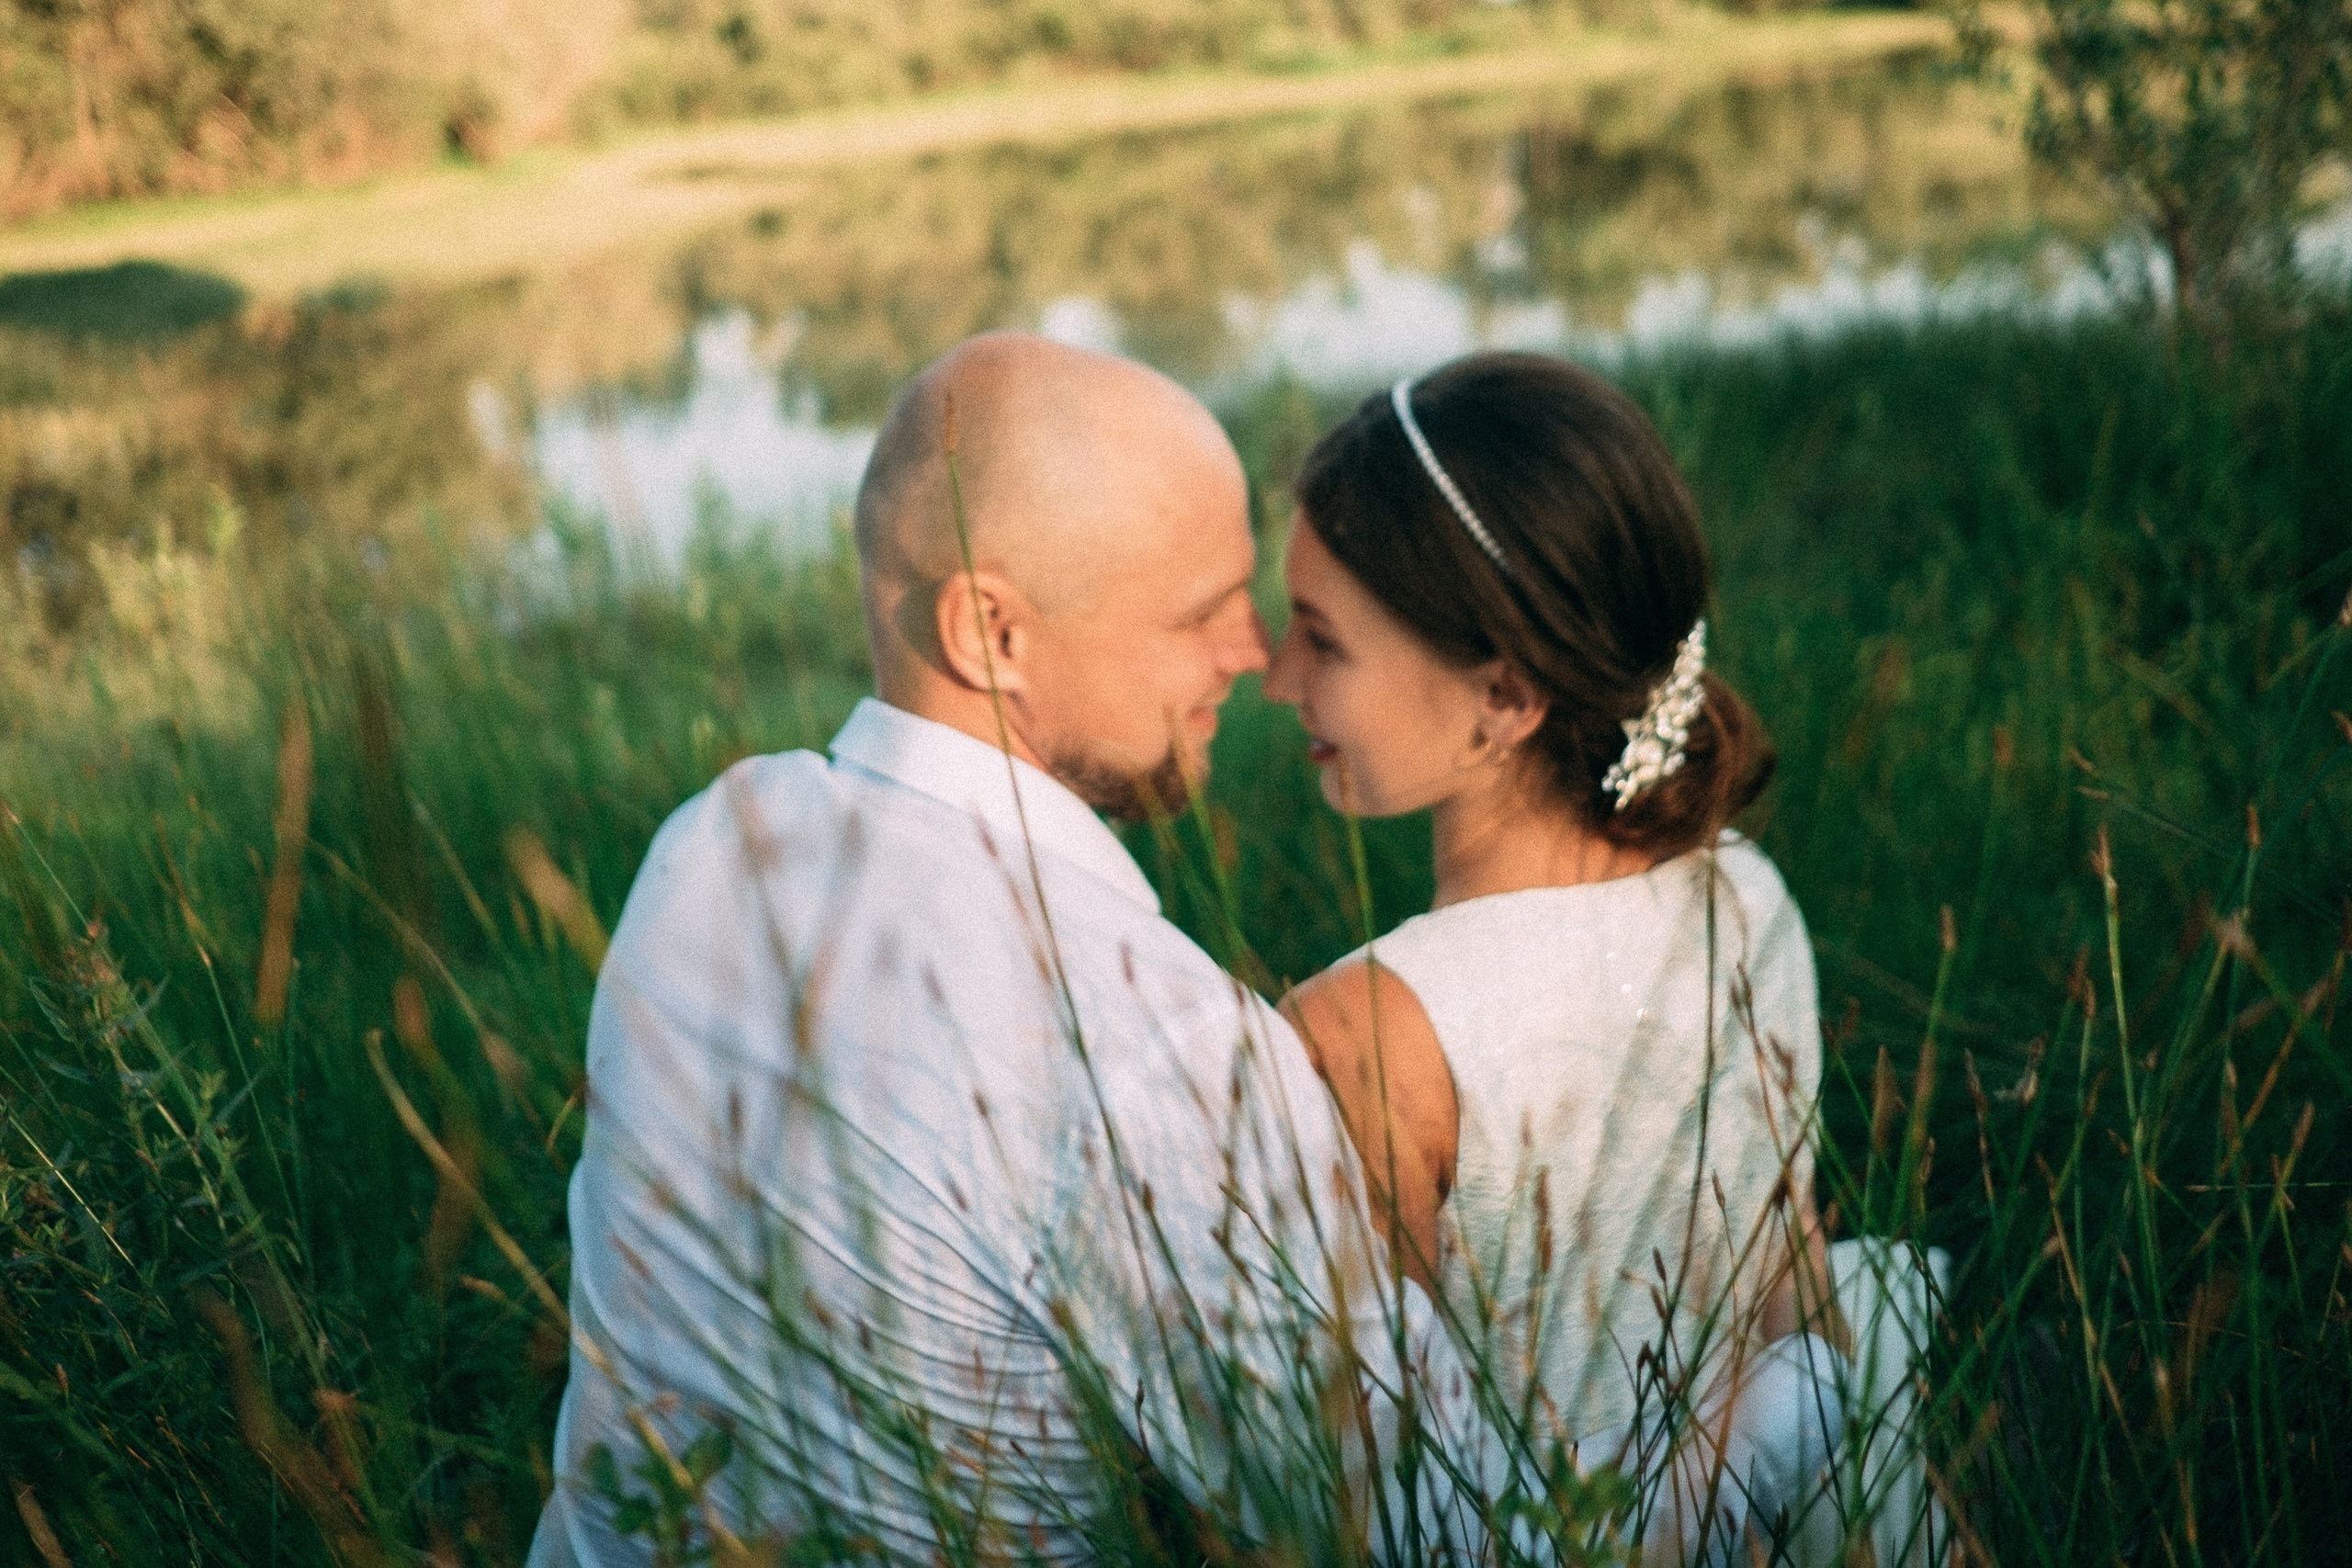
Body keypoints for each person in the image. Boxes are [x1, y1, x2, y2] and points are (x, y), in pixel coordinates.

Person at [526, 333, 1487, 1566]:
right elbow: (1431, 1517)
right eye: (1199, 614)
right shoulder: (1146, 1028)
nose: (1255, 656)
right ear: (993, 633)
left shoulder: (719, 838)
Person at [1268, 352, 1840, 1562]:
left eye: (1323, 643)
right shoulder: (1746, 892)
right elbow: (1791, 1281)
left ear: (1506, 697)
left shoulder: (1370, 1028)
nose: (1278, 679)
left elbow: (1373, 1466)